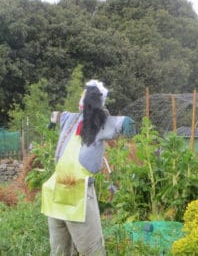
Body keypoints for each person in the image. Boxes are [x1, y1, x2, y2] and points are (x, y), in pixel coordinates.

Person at [41, 79, 136, 255]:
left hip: (73, 193)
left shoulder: (99, 122)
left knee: (82, 250)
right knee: (68, 250)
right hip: (62, 194)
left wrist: (127, 123)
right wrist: (52, 120)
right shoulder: (70, 119)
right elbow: (58, 114)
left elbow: (118, 122)